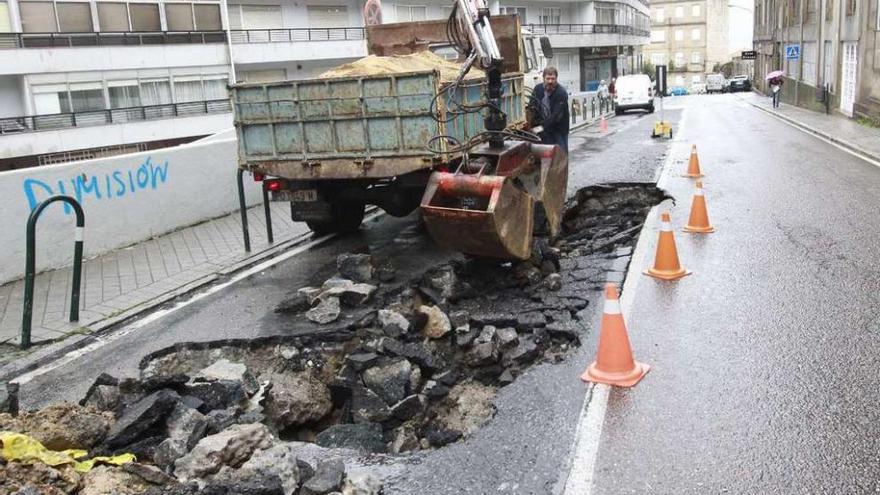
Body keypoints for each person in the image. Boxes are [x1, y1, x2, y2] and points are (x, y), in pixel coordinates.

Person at [531, 66, 570, 154]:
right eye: (548, 78)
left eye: (553, 79)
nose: (550, 81)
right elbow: (532, 107)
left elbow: (555, 116)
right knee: (544, 154)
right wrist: (534, 123)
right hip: (543, 128)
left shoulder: (561, 93)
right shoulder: (538, 89)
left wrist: (541, 127)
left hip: (558, 129)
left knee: (561, 154)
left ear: (556, 79)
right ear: (543, 78)